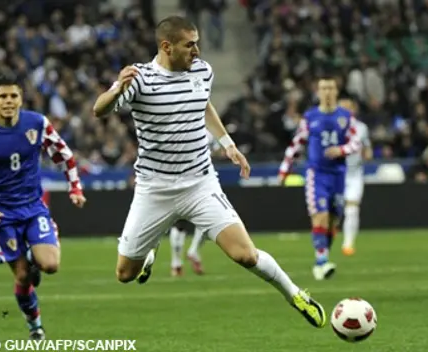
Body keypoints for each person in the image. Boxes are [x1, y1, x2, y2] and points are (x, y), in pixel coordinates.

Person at [92, 16, 326, 328]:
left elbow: (203, 104)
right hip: (155, 188)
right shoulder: (140, 78)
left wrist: (227, 143)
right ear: (167, 46)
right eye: (189, 44)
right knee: (124, 275)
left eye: (197, 42)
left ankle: (295, 294)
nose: (197, 50)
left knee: (246, 255)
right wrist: (117, 88)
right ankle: (147, 253)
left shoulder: (202, 70)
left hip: (199, 183)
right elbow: (100, 109)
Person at [0, 75, 86, 339]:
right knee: (22, 278)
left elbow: (64, 155)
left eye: (13, 96)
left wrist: (75, 187)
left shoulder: (37, 124)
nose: (8, 101)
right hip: (0, 214)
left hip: (32, 208)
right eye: (2, 96)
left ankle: (34, 256)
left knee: (50, 265)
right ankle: (35, 326)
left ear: (21, 99)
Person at [278, 76, 361, 280]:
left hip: (339, 175)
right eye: (323, 88)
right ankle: (321, 262)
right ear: (318, 92)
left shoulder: (345, 116)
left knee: (334, 221)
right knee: (320, 215)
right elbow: (297, 143)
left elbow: (356, 143)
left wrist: (341, 150)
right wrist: (284, 169)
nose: (327, 92)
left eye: (330, 88)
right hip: (317, 174)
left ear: (336, 91)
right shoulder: (310, 117)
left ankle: (323, 255)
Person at [338, 98, 372, 256]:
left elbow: (367, 150)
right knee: (332, 211)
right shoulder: (332, 127)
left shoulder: (361, 128)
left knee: (352, 209)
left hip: (354, 174)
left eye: (348, 108)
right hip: (335, 173)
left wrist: (367, 155)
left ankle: (348, 244)